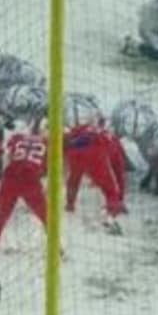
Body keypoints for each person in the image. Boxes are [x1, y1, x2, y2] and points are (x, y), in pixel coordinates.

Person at [65, 95, 125, 234]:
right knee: (111, 191)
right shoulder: (115, 142)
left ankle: (69, 205)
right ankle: (109, 219)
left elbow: (70, 137)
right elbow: (120, 176)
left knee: (74, 179)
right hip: (95, 153)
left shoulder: (88, 126)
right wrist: (119, 199)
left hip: (74, 149)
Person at [0, 120, 49, 247]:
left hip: (11, 176)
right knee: (47, 217)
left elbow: (8, 154)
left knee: (2, 215)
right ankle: (56, 248)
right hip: (30, 179)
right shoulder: (48, 142)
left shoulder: (17, 138)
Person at [0, 44, 46, 126]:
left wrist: (33, 95)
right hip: (12, 103)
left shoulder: (14, 68)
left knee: (16, 97)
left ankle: (31, 124)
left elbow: (39, 79)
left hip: (26, 100)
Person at [111, 99, 158, 195]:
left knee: (155, 157)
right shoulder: (121, 118)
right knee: (154, 158)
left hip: (146, 129)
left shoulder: (152, 123)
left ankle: (154, 183)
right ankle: (152, 183)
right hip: (135, 125)